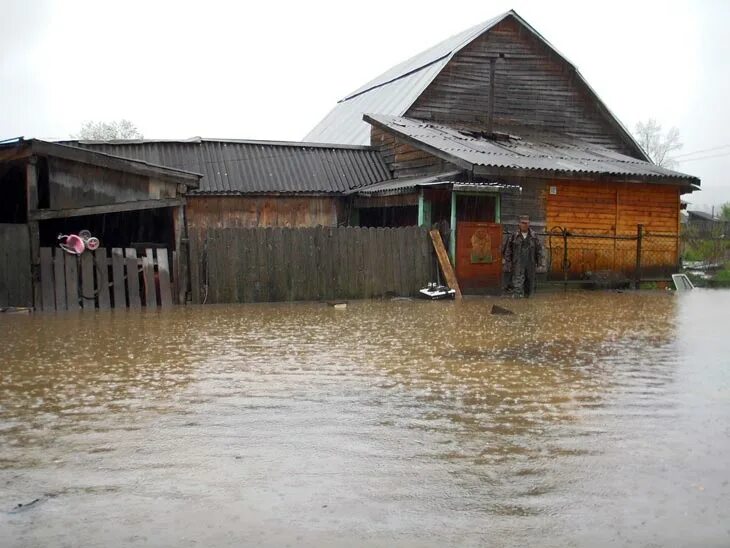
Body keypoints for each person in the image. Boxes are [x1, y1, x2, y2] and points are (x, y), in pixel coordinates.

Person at [503, 215, 545, 298]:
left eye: (526, 223)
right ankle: (518, 302)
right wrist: (508, 263)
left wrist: (540, 263)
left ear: (529, 224)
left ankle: (527, 303)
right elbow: (508, 250)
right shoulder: (514, 236)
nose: (524, 225)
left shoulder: (534, 236)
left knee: (529, 284)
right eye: (522, 223)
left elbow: (539, 251)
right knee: (517, 283)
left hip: (531, 263)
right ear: (519, 224)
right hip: (518, 263)